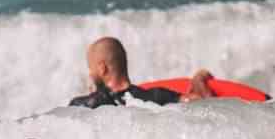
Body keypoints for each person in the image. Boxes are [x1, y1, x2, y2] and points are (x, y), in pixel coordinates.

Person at [69, 37, 216, 109]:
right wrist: (198, 80)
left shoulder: (83, 106)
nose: (90, 74)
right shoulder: (157, 96)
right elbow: (204, 103)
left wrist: (94, 94)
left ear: (102, 68)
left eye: (91, 68)